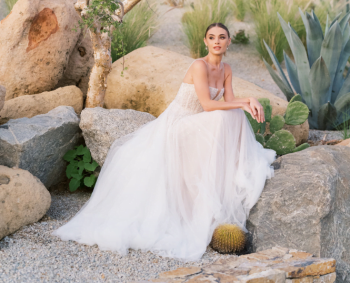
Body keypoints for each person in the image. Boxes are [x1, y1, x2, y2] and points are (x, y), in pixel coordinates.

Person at [52, 23, 276, 261]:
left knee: (233, 114)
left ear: (229, 42)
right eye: (212, 37)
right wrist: (245, 102)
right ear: (205, 42)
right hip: (178, 125)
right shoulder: (199, 66)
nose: (217, 41)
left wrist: (247, 100)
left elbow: (229, 100)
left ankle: (234, 169)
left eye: (222, 37)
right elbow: (209, 105)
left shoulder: (226, 69)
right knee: (224, 115)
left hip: (199, 123)